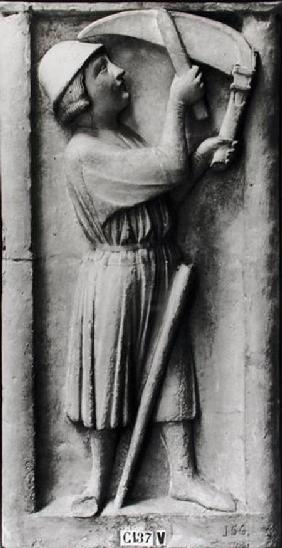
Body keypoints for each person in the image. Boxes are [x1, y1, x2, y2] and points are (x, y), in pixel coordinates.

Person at [39, 40, 236, 517]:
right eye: (102, 69)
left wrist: (201, 161)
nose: (120, 71)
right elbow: (166, 165)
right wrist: (175, 101)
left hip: (157, 262)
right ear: (80, 96)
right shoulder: (83, 153)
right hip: (118, 275)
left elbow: (162, 195)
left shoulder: (121, 139)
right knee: (108, 375)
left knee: (171, 368)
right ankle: (97, 482)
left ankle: (184, 475)